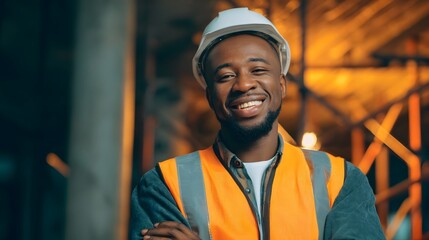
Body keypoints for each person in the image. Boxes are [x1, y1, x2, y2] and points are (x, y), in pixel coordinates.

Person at [130, 7, 385, 240]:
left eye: (258, 70)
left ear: (282, 85)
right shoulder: (164, 184)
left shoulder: (340, 181)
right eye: (226, 76)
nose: (243, 84)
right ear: (209, 96)